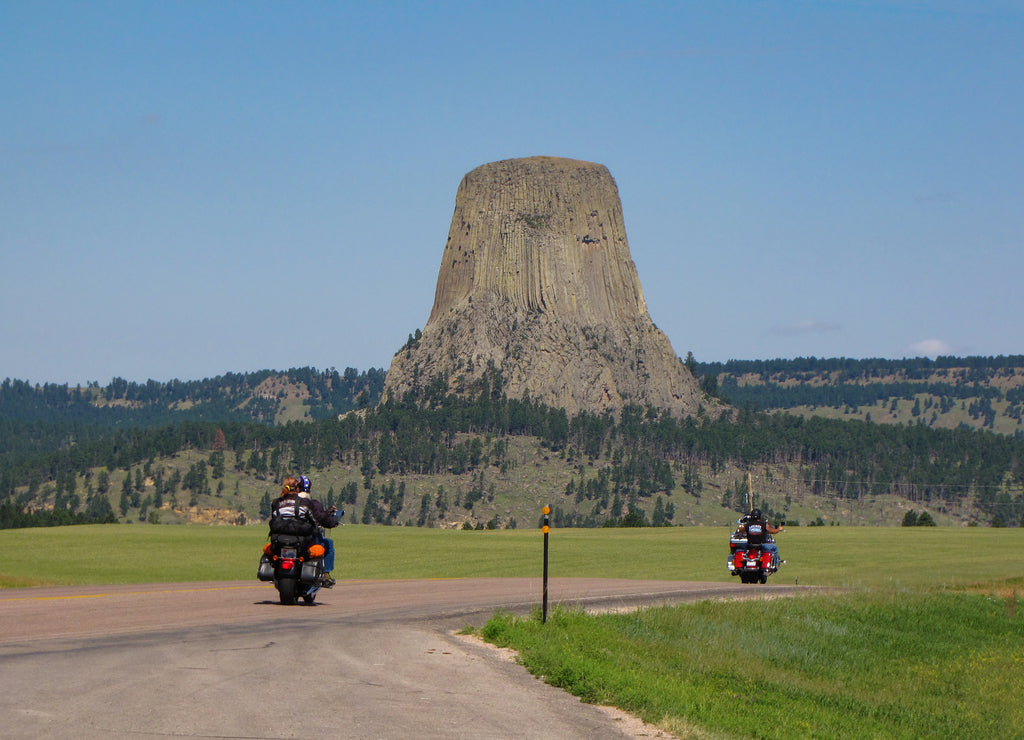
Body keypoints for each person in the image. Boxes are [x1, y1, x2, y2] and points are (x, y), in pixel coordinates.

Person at [297, 474, 342, 587]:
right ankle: (326, 574)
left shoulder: (286, 501)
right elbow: (321, 519)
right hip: (308, 538)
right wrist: (333, 518)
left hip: (286, 536)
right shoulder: (313, 504)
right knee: (328, 544)